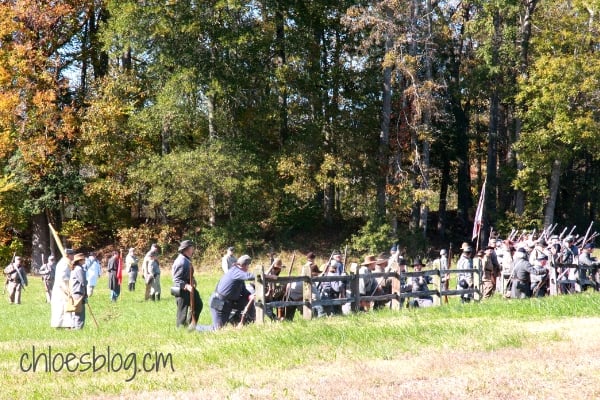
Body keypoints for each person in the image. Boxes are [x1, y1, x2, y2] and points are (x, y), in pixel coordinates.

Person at [210, 254, 260, 330]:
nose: (248, 268)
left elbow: (244, 292)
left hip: (226, 303)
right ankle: (196, 328)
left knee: (222, 327)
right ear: (245, 265)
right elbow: (249, 276)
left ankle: (244, 322)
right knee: (217, 329)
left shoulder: (239, 275)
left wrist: (250, 296)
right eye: (248, 266)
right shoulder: (236, 271)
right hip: (219, 302)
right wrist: (264, 275)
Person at [171, 240, 202, 328]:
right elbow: (176, 279)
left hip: (189, 286)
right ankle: (180, 330)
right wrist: (186, 285)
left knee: (198, 305)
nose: (193, 249)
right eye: (191, 247)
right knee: (182, 312)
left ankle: (191, 325)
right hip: (182, 289)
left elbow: (188, 273)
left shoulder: (186, 259)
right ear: (187, 249)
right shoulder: (181, 261)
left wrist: (193, 280)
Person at [51, 249, 74, 328]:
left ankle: (65, 324)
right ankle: (63, 324)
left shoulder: (65, 262)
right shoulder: (64, 263)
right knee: (62, 307)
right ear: (68, 255)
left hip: (62, 287)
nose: (73, 256)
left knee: (63, 307)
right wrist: (67, 289)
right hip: (62, 288)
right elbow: (64, 277)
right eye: (72, 255)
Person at [69, 253, 88, 329]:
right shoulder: (79, 269)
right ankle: (78, 328)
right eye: (83, 259)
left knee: (75, 312)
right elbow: (83, 281)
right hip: (78, 292)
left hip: (75, 292)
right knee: (80, 312)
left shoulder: (75, 268)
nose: (85, 260)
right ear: (80, 261)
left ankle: (74, 327)